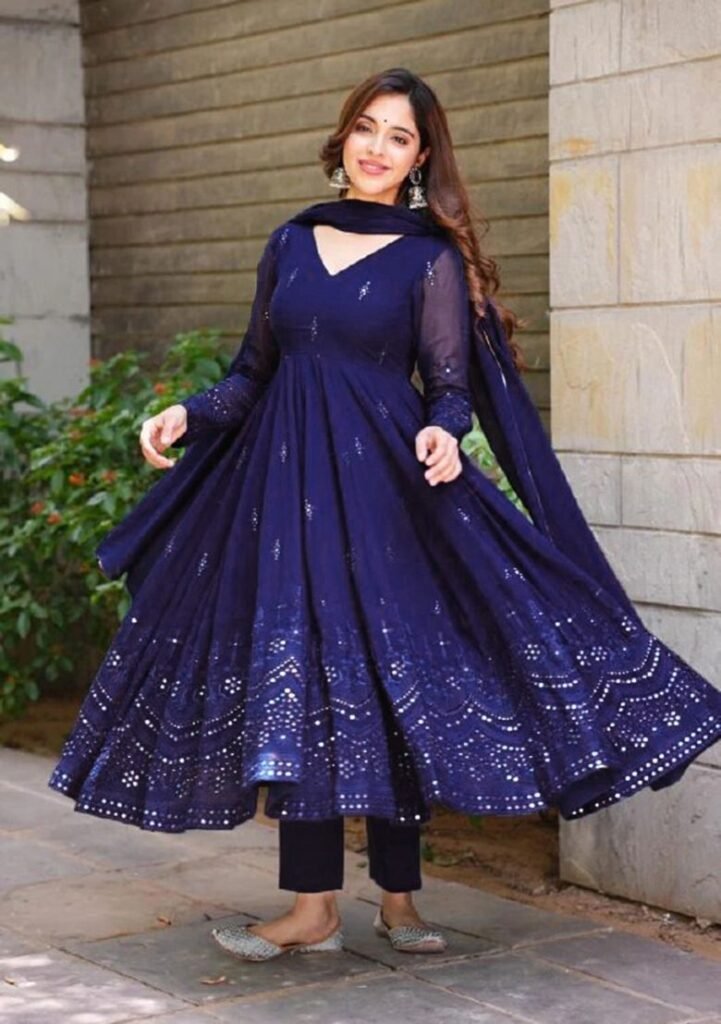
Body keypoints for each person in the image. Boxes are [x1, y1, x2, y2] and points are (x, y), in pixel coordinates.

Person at [48, 68, 721, 963]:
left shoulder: (427, 257)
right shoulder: (291, 241)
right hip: (285, 495)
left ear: (420, 158)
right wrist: (186, 413)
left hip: (389, 498)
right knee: (306, 683)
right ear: (344, 136)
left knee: (391, 679)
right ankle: (313, 909)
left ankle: (401, 899)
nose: (376, 147)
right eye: (366, 127)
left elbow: (447, 387)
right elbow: (252, 374)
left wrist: (445, 432)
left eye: (398, 136)